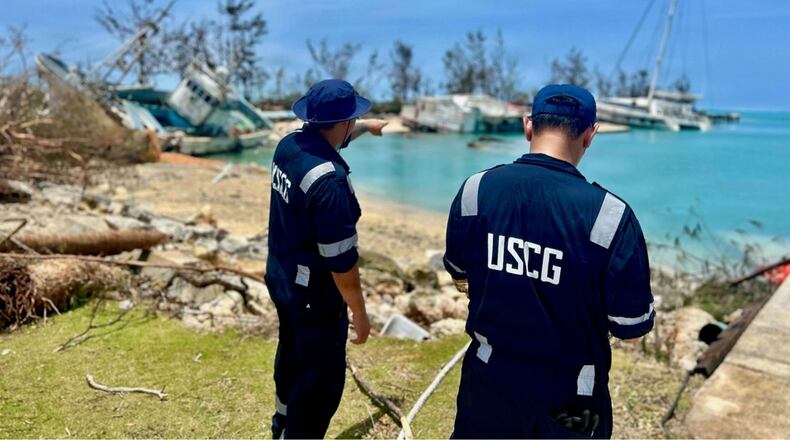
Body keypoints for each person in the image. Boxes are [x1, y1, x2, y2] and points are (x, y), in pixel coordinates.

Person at [443, 84, 654, 438]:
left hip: (487, 381)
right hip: (570, 397)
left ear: (528, 126)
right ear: (590, 135)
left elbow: (459, 272)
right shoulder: (611, 216)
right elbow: (630, 324)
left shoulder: (475, 190)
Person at [265, 79, 387, 439]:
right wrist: (360, 313)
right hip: (313, 297)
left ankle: (282, 424)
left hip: (280, 276)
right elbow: (342, 263)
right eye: (354, 119)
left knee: (291, 351)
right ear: (343, 123)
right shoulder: (329, 183)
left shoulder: (289, 145)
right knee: (320, 382)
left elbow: (334, 136)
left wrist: (368, 127)